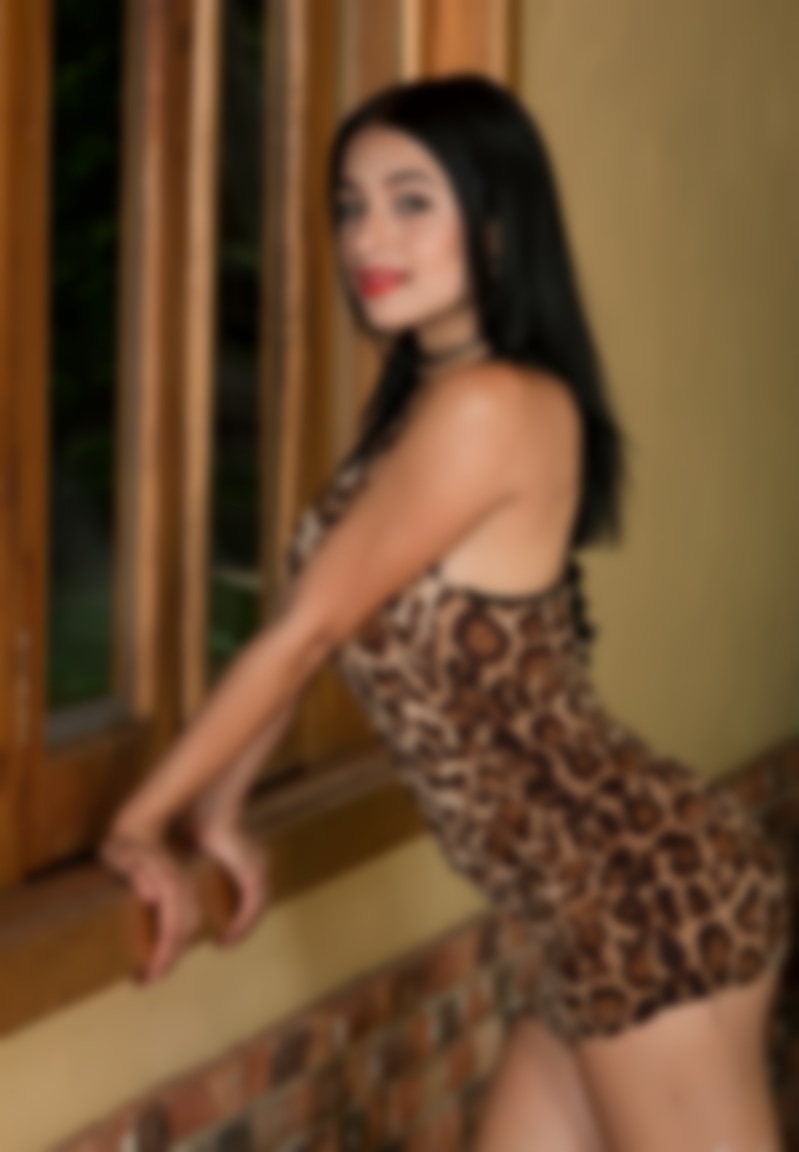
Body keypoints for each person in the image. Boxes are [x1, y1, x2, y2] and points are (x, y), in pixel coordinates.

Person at [100, 74, 792, 1151]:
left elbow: (306, 633)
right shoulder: (430, 409)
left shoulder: (489, 406)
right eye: (351, 204)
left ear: (499, 227)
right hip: (590, 911)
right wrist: (217, 813)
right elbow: (318, 630)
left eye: (411, 201)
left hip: (647, 903)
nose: (366, 235)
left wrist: (136, 822)